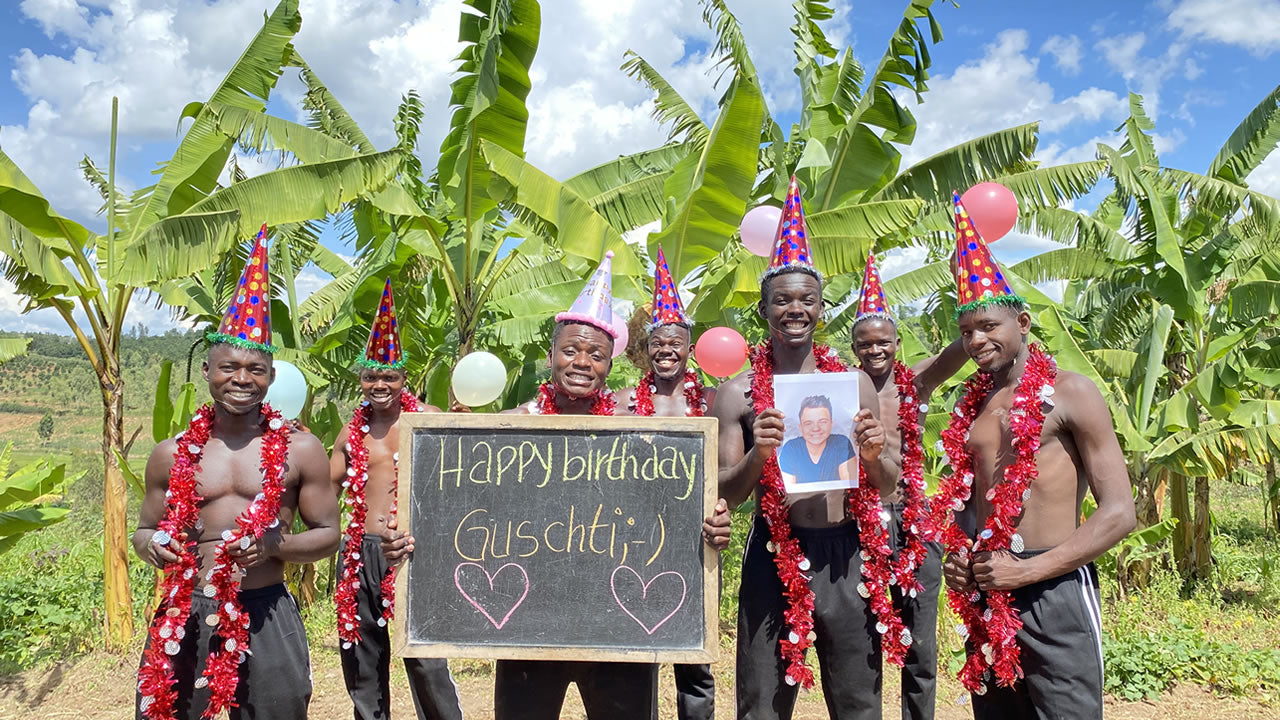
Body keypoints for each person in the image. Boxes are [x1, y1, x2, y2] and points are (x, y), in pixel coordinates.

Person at [495, 251, 732, 720]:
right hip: (530, 620)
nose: (582, 362)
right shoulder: (510, 429)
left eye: (596, 354)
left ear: (610, 364)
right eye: (570, 350)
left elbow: (673, 504)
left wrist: (712, 523)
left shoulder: (635, 429)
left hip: (617, 621)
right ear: (550, 355)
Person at [933, 194, 1135, 720]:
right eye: (967, 331)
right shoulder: (968, 404)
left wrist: (1029, 573)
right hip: (987, 590)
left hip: (1056, 590)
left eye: (989, 327)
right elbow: (969, 501)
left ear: (1022, 322)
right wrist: (959, 554)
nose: (977, 340)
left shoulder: (1073, 393)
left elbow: (1120, 513)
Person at [134, 225, 339, 720]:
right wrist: (154, 546)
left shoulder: (302, 449)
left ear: (270, 377)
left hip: (267, 607)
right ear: (207, 370)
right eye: (229, 367)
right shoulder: (171, 453)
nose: (242, 379)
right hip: (186, 608)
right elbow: (143, 531)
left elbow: (330, 535)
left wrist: (274, 545)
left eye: (256, 369)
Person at [713, 177, 891, 720]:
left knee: (858, 700)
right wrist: (758, 455)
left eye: (807, 300)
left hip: (848, 552)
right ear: (764, 308)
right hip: (774, 550)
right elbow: (725, 490)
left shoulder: (856, 384)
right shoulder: (736, 392)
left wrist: (872, 453)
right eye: (782, 300)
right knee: (761, 703)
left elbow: (887, 483)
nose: (796, 309)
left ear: (820, 307)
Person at [331, 279, 464, 720]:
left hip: (414, 551)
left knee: (426, 661)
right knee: (362, 659)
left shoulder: (430, 421)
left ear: (404, 378)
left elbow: (466, 478)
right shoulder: (348, 435)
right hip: (359, 554)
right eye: (371, 376)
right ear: (361, 380)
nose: (379, 384)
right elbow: (323, 492)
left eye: (388, 375)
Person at [850, 252, 968, 720]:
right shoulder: (843, 385)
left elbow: (960, 346)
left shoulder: (915, 383)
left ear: (897, 342)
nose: (875, 351)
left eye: (883, 342)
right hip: (861, 526)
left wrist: (971, 285)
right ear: (854, 347)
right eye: (865, 344)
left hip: (915, 522)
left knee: (920, 642)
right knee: (866, 640)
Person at [617, 246, 721, 720]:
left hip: (694, 541)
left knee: (694, 662)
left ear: (689, 346)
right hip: (630, 541)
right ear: (646, 348)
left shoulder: (714, 402)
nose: (666, 350)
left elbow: (729, 472)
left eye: (674, 341)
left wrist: (720, 512)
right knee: (637, 654)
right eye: (657, 341)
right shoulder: (620, 404)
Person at [777, 395, 855, 486]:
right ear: (800, 427)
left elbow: (850, 487)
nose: (815, 428)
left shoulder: (842, 444)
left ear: (831, 424)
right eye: (808, 423)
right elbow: (786, 491)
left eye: (822, 422)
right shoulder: (791, 448)